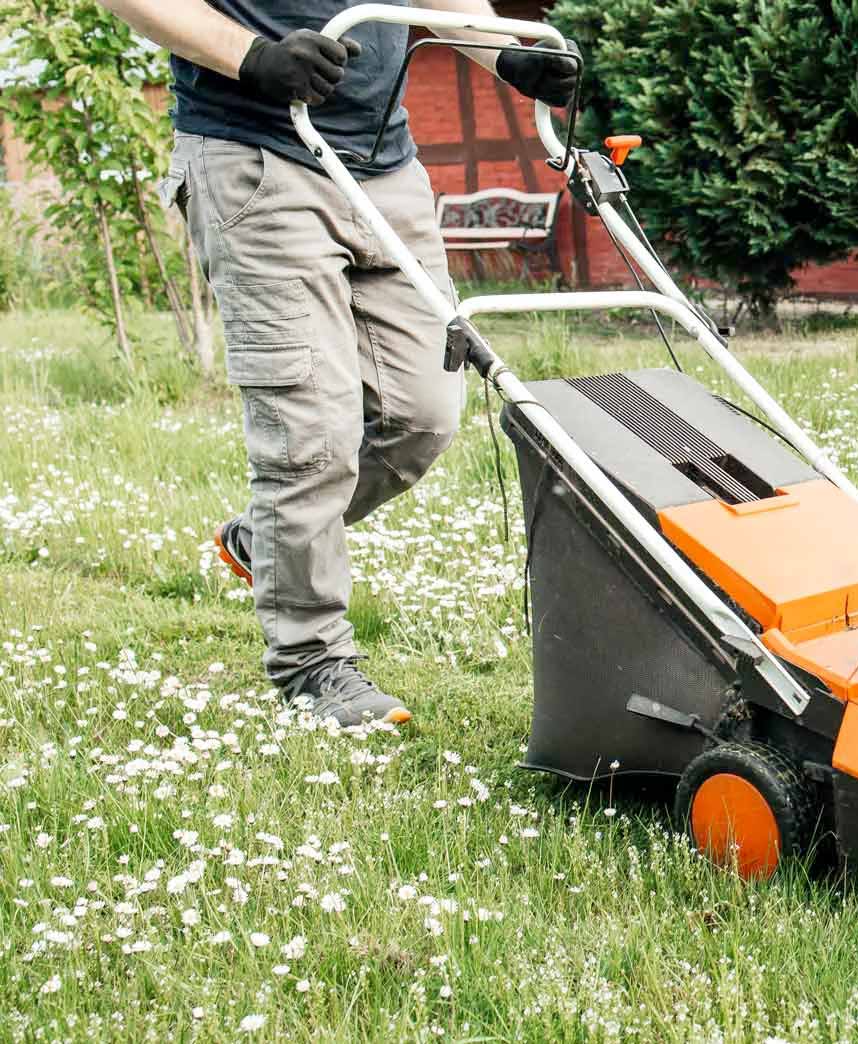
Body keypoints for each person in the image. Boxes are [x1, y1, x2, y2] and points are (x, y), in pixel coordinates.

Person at [99, 0, 576, 726]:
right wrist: (252, 58)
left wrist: (505, 51)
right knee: (310, 438)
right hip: (257, 153)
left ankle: (265, 541)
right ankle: (312, 666)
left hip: (386, 165)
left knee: (424, 414)